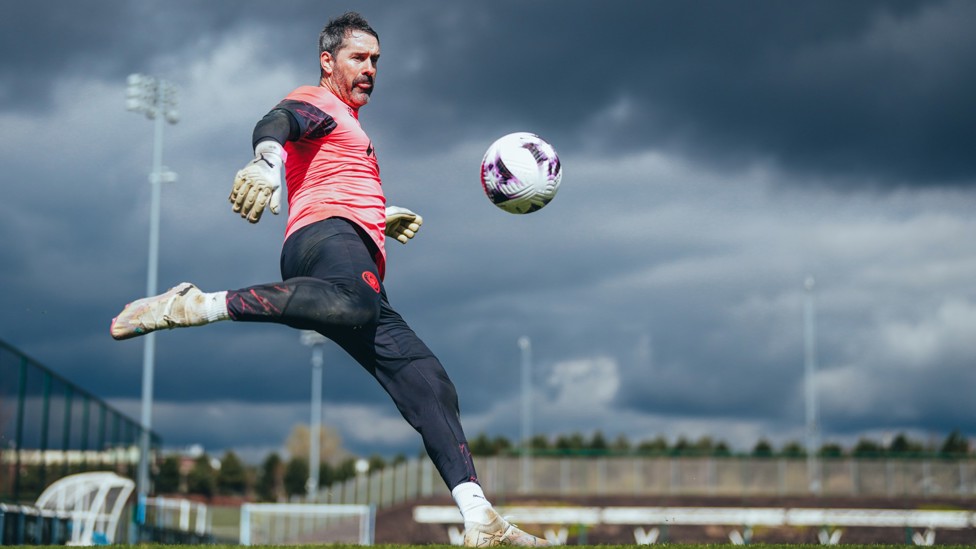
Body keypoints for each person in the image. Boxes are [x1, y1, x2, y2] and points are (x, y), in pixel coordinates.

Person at [111, 11, 547, 547]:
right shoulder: (317, 102)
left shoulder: (351, 127)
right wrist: (266, 164)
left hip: (351, 254)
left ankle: (481, 519)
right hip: (325, 245)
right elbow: (278, 122)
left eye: (376, 61)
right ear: (328, 61)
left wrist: (377, 218)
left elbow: (326, 177)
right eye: (358, 58)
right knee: (355, 302)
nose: (370, 69)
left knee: (429, 383)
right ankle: (196, 304)